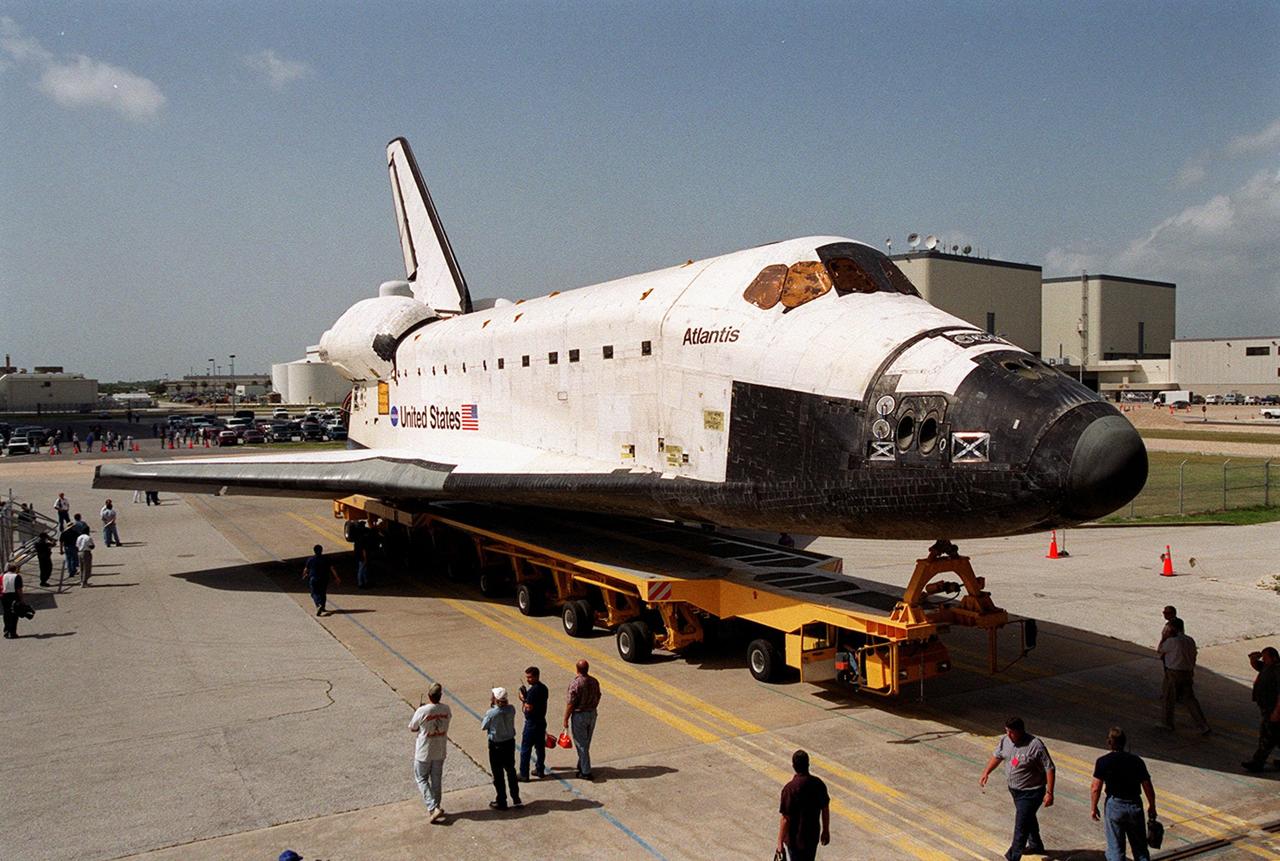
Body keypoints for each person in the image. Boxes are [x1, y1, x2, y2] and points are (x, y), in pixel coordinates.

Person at [979, 716, 1056, 861]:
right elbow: (999, 756)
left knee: (1021, 826)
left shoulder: (1035, 745)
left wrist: (1049, 793)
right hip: (1015, 791)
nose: (1008, 735)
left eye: (1012, 732)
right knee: (1027, 818)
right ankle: (1036, 844)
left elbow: (1050, 768)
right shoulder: (1005, 741)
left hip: (1032, 792)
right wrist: (986, 772)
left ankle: (1013, 857)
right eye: (1007, 731)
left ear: (1020, 731)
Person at [1090, 727, 1157, 861]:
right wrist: (1152, 805)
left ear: (1109, 742)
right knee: (1140, 850)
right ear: (1125, 742)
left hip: (1115, 805)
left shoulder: (1103, 761)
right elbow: (1147, 786)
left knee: (1116, 849)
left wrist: (1093, 807)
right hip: (1134, 805)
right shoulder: (1137, 761)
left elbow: (1095, 787)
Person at [1156, 618, 1210, 734]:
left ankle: (1167, 723)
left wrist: (1164, 637)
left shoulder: (1171, 641)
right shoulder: (1190, 640)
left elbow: (1160, 650)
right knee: (1190, 698)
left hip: (1174, 672)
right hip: (1187, 672)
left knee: (1168, 697)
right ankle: (1203, 724)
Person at [409, 682, 452, 822]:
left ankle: (433, 807)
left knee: (421, 778)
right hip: (439, 749)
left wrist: (421, 711)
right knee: (436, 779)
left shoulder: (422, 711)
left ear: (429, 695)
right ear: (440, 695)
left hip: (424, 751)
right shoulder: (446, 709)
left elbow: (413, 727)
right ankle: (437, 805)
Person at [777, 749, 830, 861]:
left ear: (793, 766)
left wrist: (779, 843)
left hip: (794, 840)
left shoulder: (789, 789)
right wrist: (825, 830)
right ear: (808, 764)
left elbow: (785, 819)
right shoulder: (818, 784)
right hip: (812, 837)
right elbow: (825, 808)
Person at [481, 686, 521, 809]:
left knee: (498, 774)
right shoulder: (511, 709)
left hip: (497, 745)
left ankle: (501, 800)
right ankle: (516, 797)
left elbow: (484, 726)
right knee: (511, 770)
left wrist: (492, 707)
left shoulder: (492, 713)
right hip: (509, 742)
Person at [1242, 647, 1280, 772]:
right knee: (1276, 735)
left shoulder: (1277, 670)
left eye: (1266, 657)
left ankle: (1257, 762)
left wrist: (1276, 711)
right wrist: (1254, 656)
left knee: (1266, 736)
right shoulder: (1267, 666)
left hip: (1273, 708)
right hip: (1266, 707)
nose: (1264, 660)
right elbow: (1255, 664)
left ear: (1274, 658)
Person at [563, 659, 602, 779]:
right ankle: (582, 763)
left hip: (580, 715)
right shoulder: (594, 681)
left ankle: (585, 771)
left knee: (581, 744)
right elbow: (599, 695)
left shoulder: (576, 684)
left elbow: (571, 703)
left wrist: (565, 718)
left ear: (577, 669)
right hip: (592, 713)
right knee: (586, 741)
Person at [518, 665, 549, 780]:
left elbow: (528, 708)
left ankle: (524, 774)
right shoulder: (544, 688)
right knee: (540, 748)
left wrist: (523, 699)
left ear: (536, 676)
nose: (528, 680)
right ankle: (540, 769)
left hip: (532, 723)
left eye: (530, 677)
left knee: (526, 749)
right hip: (541, 721)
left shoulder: (532, 691)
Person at [301, 544, 340, 616]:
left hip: (314, 578)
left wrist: (304, 575)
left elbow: (306, 569)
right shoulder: (326, 559)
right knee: (323, 592)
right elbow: (332, 569)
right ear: (322, 550)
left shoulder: (311, 559)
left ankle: (318, 604)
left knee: (314, 593)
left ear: (314, 551)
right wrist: (336, 577)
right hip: (324, 578)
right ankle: (323, 606)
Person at [2, 563, 24, 639]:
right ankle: (13, 632)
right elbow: (19, 589)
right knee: (14, 614)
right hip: (14, 596)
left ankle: (6, 631)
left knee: (6, 614)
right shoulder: (17, 577)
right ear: (15, 569)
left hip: (4, 596)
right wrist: (21, 599)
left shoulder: (2, 576)